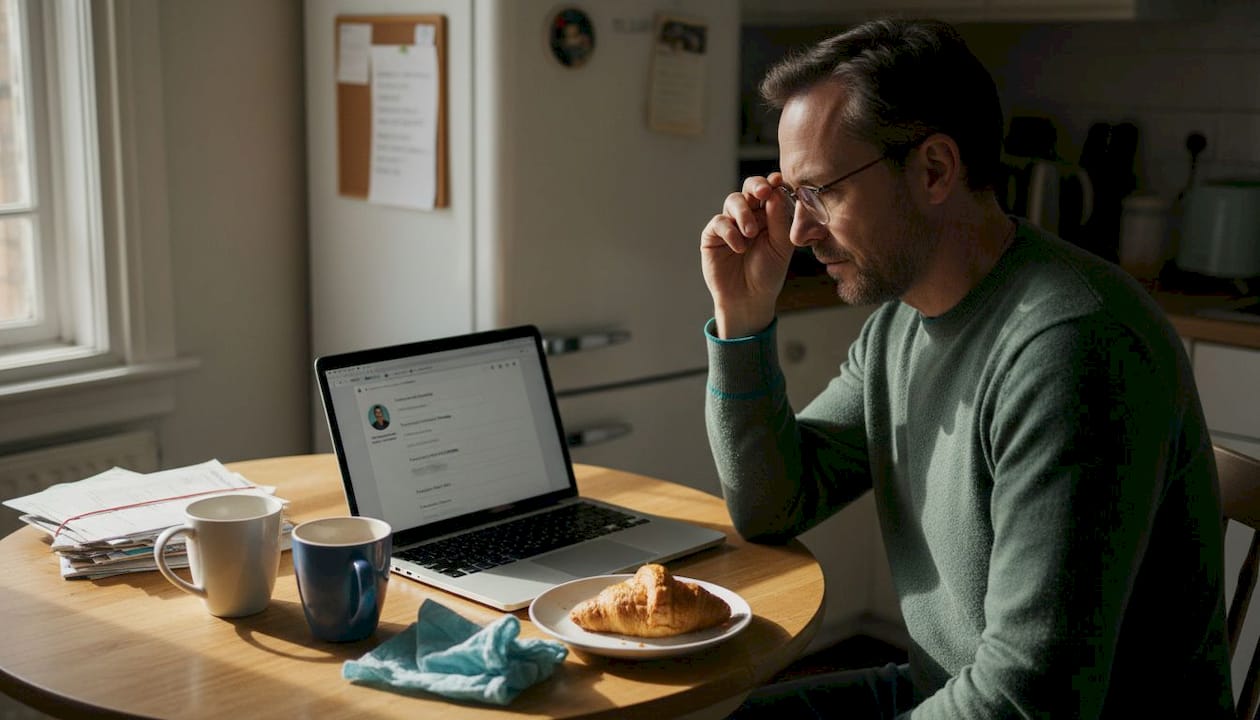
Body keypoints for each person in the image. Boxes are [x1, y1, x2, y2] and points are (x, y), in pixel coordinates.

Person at [699, 18, 1233, 719]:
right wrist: (743, 317)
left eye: (820, 193)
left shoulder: (1073, 347)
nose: (797, 233)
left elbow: (1028, 699)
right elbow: (773, 503)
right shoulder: (901, 323)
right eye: (791, 196)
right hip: (946, 691)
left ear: (934, 170)